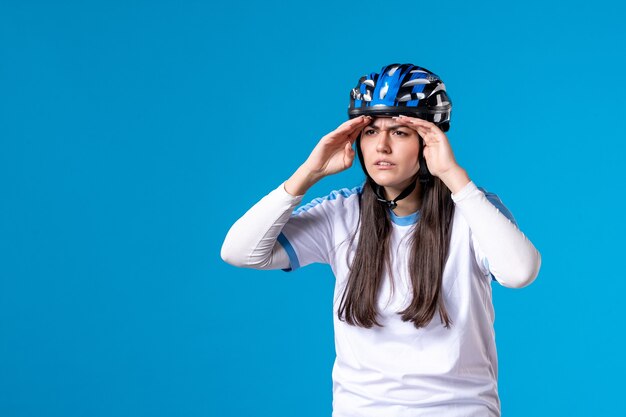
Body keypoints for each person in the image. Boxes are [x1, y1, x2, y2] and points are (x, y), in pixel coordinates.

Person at [221, 63, 541, 417]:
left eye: (401, 132)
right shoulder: (340, 214)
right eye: (371, 131)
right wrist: (307, 174)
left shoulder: (473, 209)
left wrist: (454, 176)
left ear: (429, 141)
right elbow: (240, 251)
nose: (382, 147)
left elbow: (519, 272)